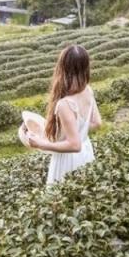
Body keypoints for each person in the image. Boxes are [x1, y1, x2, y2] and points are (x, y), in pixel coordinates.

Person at [25, 45, 102, 184]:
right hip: (86, 152)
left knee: (62, 199)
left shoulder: (65, 104)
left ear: (63, 68)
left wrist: (41, 144)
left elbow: (74, 145)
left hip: (69, 160)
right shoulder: (88, 90)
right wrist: (74, 130)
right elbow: (97, 123)